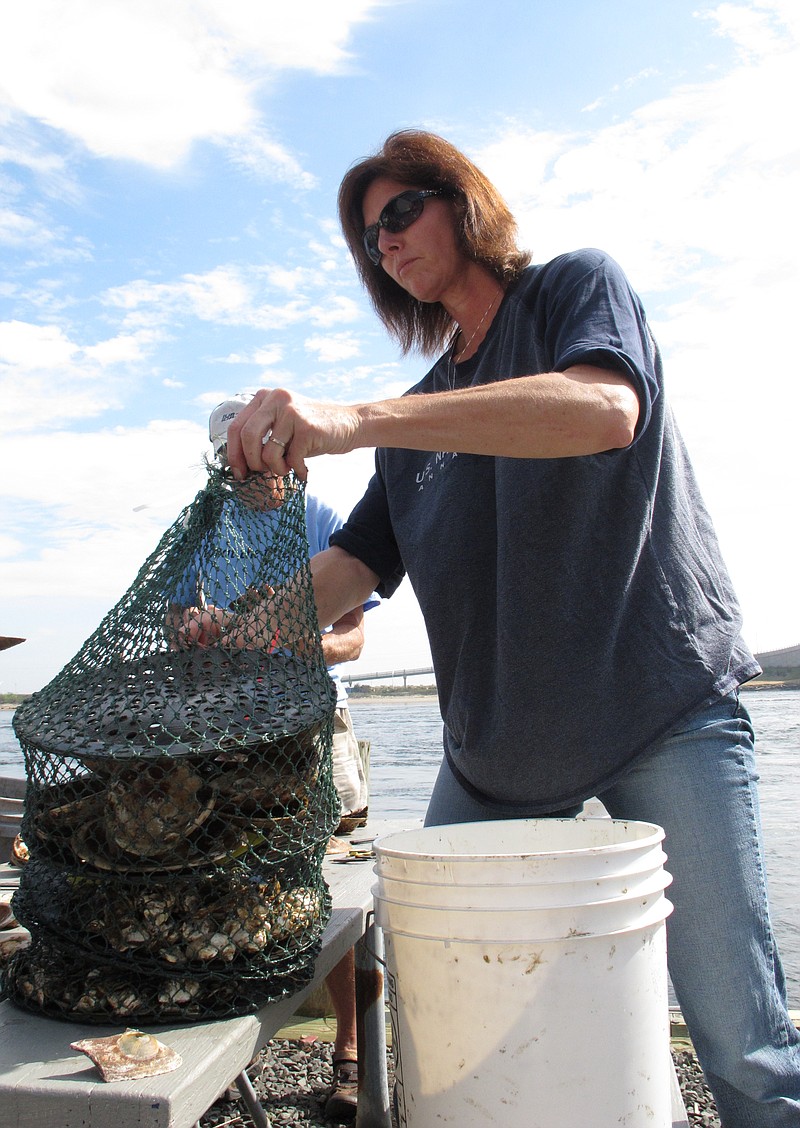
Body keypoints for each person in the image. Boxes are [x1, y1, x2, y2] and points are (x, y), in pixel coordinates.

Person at [194, 130, 800, 1125]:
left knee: (739, 1039)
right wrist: (248, 625)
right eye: (367, 236)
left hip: (660, 706)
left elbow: (601, 409)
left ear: (460, 201)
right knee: (451, 1012)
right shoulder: (413, 418)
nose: (385, 243)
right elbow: (350, 568)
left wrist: (359, 418)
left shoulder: (571, 291)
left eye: (400, 211)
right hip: (496, 754)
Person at [172, 398, 377, 1122]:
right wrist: (198, 628)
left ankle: (350, 1053)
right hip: (227, 733)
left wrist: (280, 637)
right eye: (231, 457)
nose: (246, 470)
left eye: (257, 453)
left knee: (332, 890)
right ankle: (233, 1053)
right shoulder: (204, 529)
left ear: (284, 451)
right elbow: (178, 624)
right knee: (227, 883)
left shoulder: (322, 518)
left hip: (315, 729)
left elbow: (351, 640)